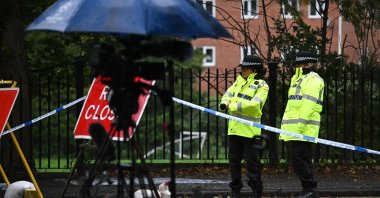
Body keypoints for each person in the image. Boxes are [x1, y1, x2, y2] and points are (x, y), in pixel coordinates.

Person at [219, 55, 269, 198]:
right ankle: (235, 190)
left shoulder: (262, 85)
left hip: (250, 131)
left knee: (252, 162)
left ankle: (255, 190)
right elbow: (226, 96)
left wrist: (231, 106)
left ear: (254, 69)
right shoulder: (238, 82)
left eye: (245, 68)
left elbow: (254, 106)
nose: (242, 70)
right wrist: (224, 103)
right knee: (234, 161)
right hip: (234, 129)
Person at [280, 51, 324, 198]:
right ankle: (309, 190)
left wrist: (300, 126)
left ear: (308, 64)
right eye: (298, 64)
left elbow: (308, 105)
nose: (299, 66)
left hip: (304, 127)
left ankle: (310, 188)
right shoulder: (297, 79)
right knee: (301, 159)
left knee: (299, 159)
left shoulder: (312, 79)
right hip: (296, 127)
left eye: (301, 64)